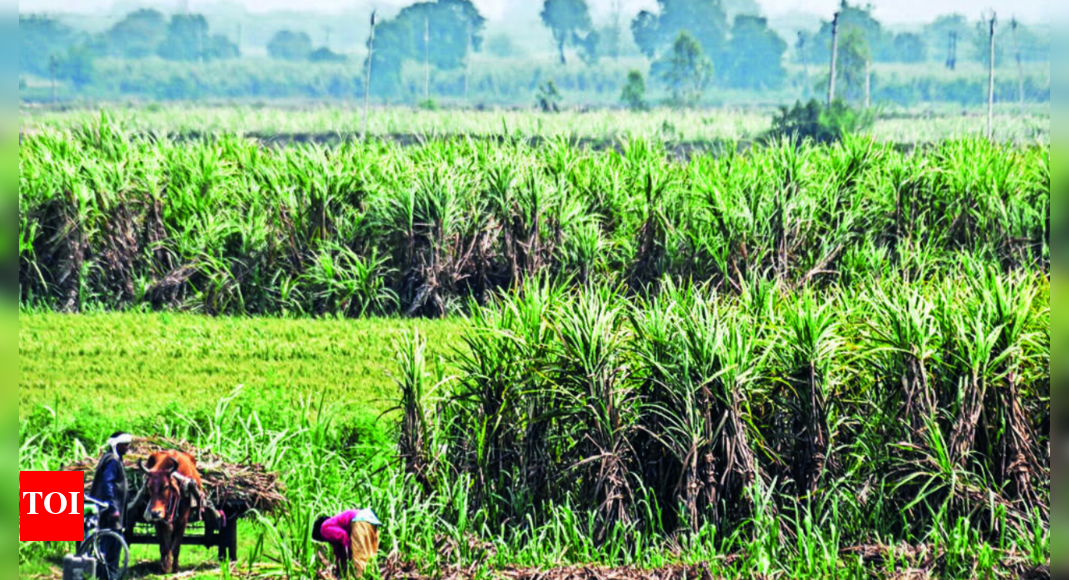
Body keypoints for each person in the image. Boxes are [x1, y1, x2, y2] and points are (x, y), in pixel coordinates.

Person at [88, 432, 132, 579]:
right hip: (110, 510)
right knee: (111, 544)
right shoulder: (112, 461)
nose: (128, 447)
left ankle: (106, 574)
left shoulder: (113, 459)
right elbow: (107, 484)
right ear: (116, 445)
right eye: (125, 444)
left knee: (110, 544)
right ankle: (108, 575)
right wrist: (112, 508)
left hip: (109, 508)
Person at [312, 508, 382, 578]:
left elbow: (343, 536)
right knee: (369, 557)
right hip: (370, 518)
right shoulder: (333, 523)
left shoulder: (324, 529)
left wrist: (348, 553)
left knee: (359, 560)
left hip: (359, 521)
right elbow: (338, 550)